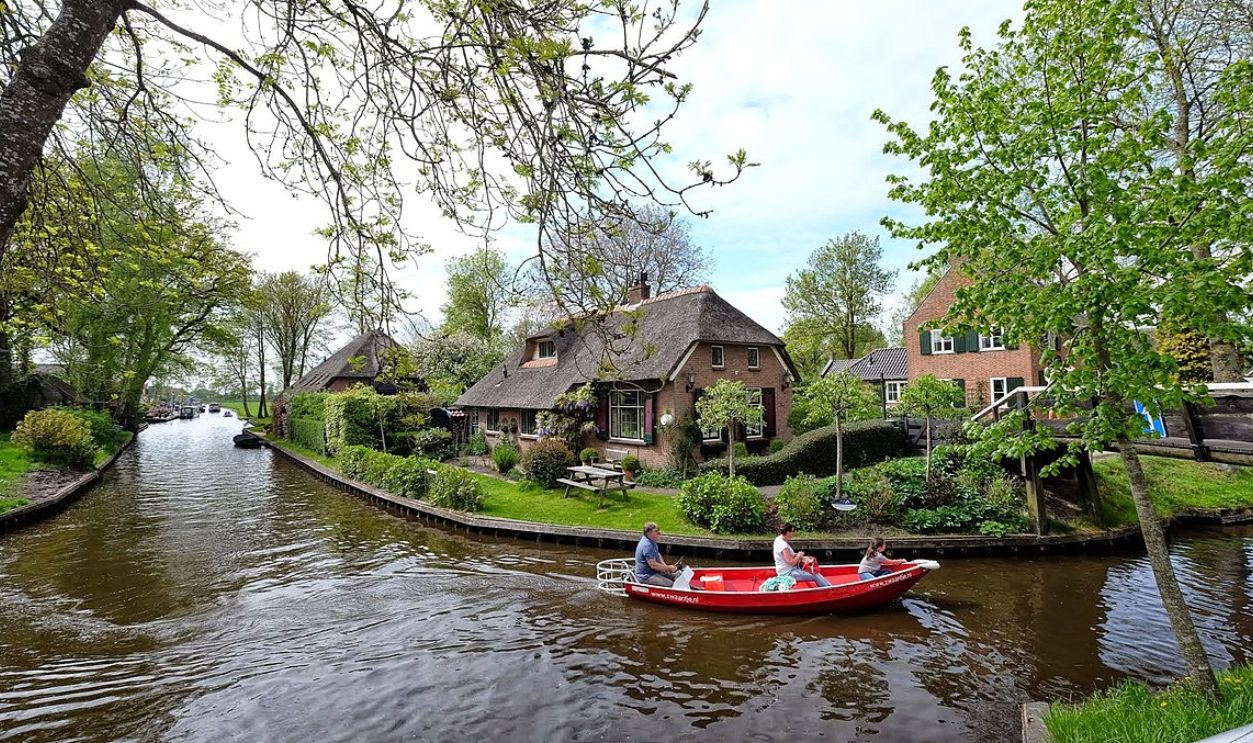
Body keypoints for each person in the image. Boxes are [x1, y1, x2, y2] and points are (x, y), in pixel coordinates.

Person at [772, 523, 831, 588]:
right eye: (792, 531)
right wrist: (798, 555)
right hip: (788, 573)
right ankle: (829, 589)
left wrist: (800, 556)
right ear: (788, 532)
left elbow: (788, 556)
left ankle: (825, 586)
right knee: (815, 574)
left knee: (812, 570)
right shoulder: (783, 546)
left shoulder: (778, 539)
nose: (793, 533)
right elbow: (791, 562)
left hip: (788, 570)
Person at [634, 522, 680, 587]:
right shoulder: (647, 545)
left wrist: (664, 566)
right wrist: (668, 568)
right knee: (671, 585)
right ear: (648, 532)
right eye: (656, 531)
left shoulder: (652, 541)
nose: (659, 533)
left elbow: (657, 553)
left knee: (677, 577)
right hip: (646, 575)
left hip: (655, 572)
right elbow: (653, 565)